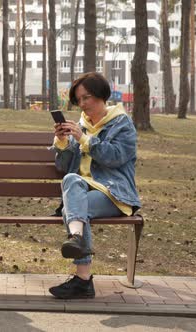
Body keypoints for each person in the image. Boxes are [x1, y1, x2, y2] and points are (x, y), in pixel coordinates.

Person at [48, 72, 141, 299]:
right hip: (82, 192)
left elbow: (117, 156)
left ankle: (83, 279)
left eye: (86, 98)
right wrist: (62, 142)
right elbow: (64, 166)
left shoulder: (122, 124)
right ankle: (77, 242)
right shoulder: (81, 125)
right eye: (79, 100)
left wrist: (85, 140)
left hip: (114, 193)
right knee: (71, 181)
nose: (82, 104)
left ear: (101, 95)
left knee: (75, 209)